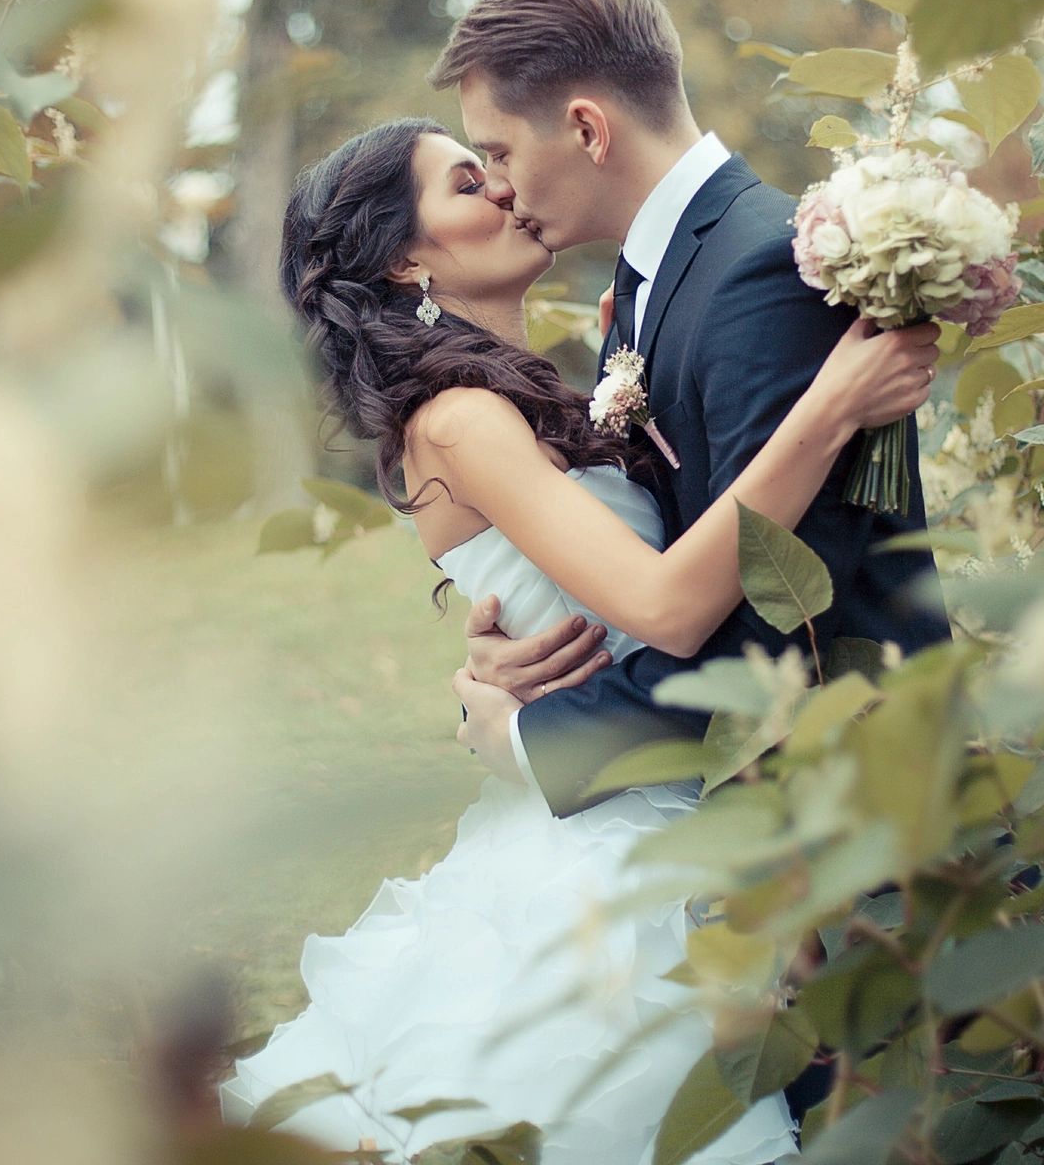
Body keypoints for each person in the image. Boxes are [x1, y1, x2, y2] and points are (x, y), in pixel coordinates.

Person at [218, 104, 942, 1162]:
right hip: (608, 840)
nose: (507, 189)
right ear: (408, 260)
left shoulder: (539, 388)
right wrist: (829, 410)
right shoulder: (459, 421)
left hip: (662, 787)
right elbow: (665, 605)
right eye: (468, 183)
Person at [433, 0, 950, 1120]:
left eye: (502, 154)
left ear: (586, 125)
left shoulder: (761, 270)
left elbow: (767, 628)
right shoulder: (659, 276)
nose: (501, 188)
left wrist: (530, 741)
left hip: (856, 862)